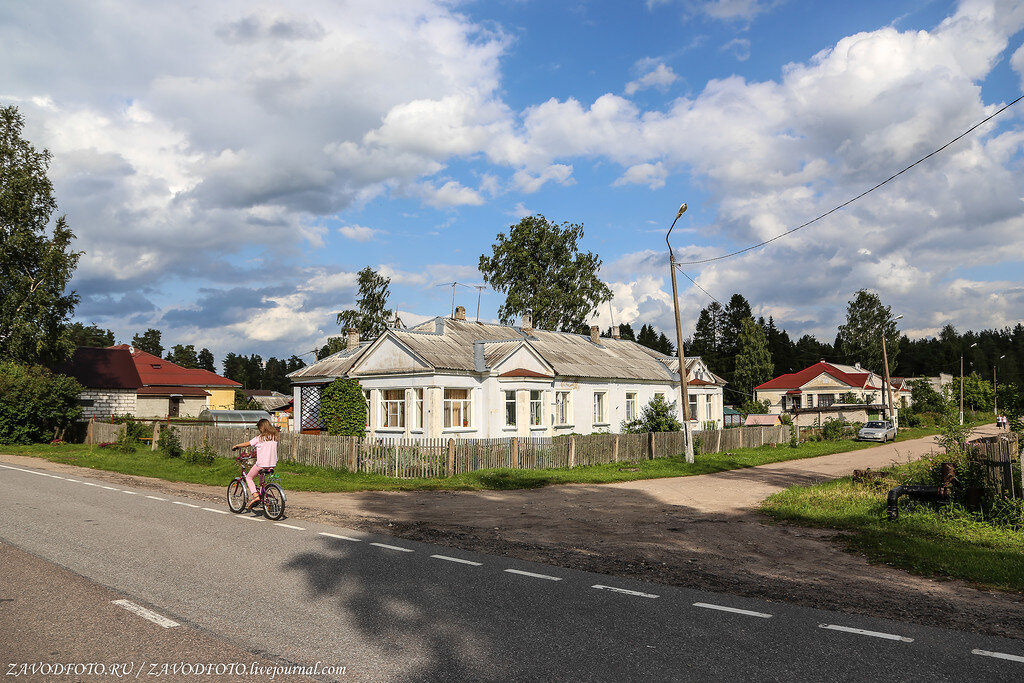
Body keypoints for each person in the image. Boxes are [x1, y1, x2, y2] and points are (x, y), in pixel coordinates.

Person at [232, 418, 279, 509]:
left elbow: (247, 444)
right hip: (272, 464)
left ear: (261, 428)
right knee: (262, 482)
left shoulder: (259, 438)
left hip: (261, 464)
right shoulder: (275, 437)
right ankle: (262, 497)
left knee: (249, 477)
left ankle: (255, 496)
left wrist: (237, 446)